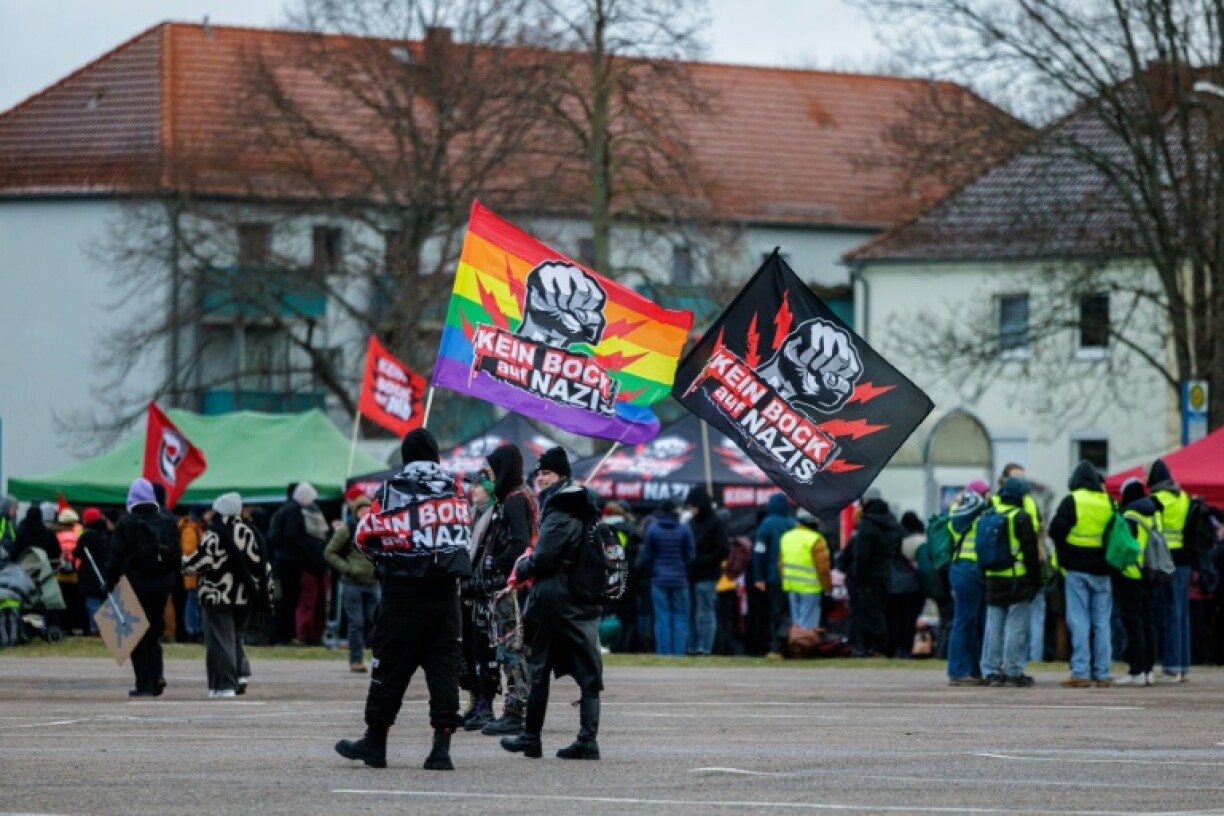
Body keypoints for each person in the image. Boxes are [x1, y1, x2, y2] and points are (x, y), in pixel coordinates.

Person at [336, 429, 471, 771]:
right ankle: (441, 749)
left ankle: (376, 744)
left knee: (389, 669)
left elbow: (365, 536)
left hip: (403, 594)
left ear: (406, 456)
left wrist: (385, 557)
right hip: (445, 595)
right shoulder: (458, 490)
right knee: (444, 670)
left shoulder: (392, 489)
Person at [502, 447, 605, 761]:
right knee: (576, 669)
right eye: (538, 473)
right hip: (578, 597)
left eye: (546, 472)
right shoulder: (580, 505)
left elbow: (545, 555)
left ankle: (548, 739)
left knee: (546, 667)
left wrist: (521, 568)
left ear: (561, 475)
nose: (540, 478)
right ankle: (540, 738)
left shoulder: (561, 507)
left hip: (558, 600)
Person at [471, 444, 538, 737]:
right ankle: (520, 706)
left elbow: (519, 543)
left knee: (511, 648)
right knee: (516, 648)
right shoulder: (522, 495)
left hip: (512, 586)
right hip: (520, 583)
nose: (492, 476)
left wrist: (494, 567)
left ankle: (515, 710)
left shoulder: (513, 499)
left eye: (494, 470)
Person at [184, 492, 271, 698]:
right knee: (235, 637)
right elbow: (261, 564)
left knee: (219, 641)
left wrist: (184, 563)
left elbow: (202, 562)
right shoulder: (251, 532)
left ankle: (224, 686)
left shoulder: (215, 533)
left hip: (217, 595)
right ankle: (240, 674)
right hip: (245, 597)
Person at [104, 478, 181, 697]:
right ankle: (157, 676)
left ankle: (144, 684)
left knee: (137, 635)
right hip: (163, 584)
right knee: (154, 630)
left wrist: (109, 584)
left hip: (136, 583)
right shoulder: (167, 521)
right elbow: (176, 554)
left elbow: (115, 557)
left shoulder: (126, 523)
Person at [1049, 460, 1113, 688]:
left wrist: (1065, 553)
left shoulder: (1072, 500)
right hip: (1103, 570)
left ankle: (1081, 672)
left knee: (1079, 621)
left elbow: (1055, 530)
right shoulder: (1107, 502)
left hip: (1076, 569)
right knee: (1102, 622)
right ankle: (1103, 673)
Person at [980, 477, 1042, 687]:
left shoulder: (989, 514)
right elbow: (1030, 554)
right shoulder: (1021, 517)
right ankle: (1013, 670)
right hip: (1017, 579)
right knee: (1016, 626)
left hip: (993, 578)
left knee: (994, 626)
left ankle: (992, 670)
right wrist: (1035, 580)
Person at [1147, 458, 1192, 682]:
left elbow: (1153, 532)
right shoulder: (1182, 496)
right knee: (1182, 614)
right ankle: (1183, 666)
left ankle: (1172, 667)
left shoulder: (1156, 499)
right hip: (1184, 560)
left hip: (1166, 561)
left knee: (1170, 614)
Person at [324, 491, 378, 673]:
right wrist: (347, 569)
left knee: (375, 622)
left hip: (374, 583)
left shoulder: (377, 529)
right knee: (357, 622)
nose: (363, 513)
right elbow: (329, 552)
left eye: (366, 509)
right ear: (355, 511)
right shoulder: (347, 530)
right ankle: (356, 660)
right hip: (352, 583)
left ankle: (378, 659)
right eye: (360, 509)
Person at [1113, 478, 1160, 686]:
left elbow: (1125, 547)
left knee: (1133, 625)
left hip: (1132, 575)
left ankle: (1137, 670)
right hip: (1152, 574)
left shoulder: (1130, 515)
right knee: (1149, 623)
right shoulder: (1154, 513)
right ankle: (1149, 669)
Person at [946, 480, 991, 686]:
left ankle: (972, 669)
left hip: (971, 571)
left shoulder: (969, 510)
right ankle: (958, 670)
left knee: (974, 623)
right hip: (966, 570)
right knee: (964, 622)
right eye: (986, 493)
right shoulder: (964, 511)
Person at [847, 488, 900, 657]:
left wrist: (857, 576)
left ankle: (870, 646)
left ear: (866, 502)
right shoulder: (892, 522)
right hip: (886, 574)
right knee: (881, 611)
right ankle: (881, 646)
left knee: (867, 613)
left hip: (869, 575)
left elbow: (862, 555)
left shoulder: (867, 524)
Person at [638, 499, 694, 655]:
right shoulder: (684, 529)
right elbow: (690, 555)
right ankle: (679, 653)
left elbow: (647, 556)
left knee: (662, 618)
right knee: (681, 617)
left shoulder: (653, 529)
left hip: (659, 579)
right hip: (680, 579)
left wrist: (654, 571)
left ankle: (664, 653)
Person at [685, 486, 729, 656]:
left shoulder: (715, 522)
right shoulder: (691, 523)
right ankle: (693, 646)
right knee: (693, 613)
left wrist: (702, 560)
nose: (691, 510)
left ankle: (705, 647)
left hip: (707, 575)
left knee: (704, 613)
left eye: (693, 506)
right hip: (693, 575)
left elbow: (723, 549)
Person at [752, 494, 795, 657]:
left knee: (775, 613)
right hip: (792, 577)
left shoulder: (766, 525)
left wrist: (759, 577)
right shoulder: (793, 524)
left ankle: (776, 647)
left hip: (773, 577)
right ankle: (791, 645)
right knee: (790, 613)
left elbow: (759, 553)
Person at [778, 508, 832, 631]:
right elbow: (823, 569)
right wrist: (828, 589)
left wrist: (785, 583)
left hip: (791, 586)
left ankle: (796, 648)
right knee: (808, 627)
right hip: (810, 588)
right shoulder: (816, 539)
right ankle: (806, 649)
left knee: (796, 625)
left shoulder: (786, 537)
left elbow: (780, 564)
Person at [887, 511, 926, 659]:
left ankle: (893, 649)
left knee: (893, 620)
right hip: (911, 586)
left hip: (893, 586)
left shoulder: (892, 540)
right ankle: (906, 649)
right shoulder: (918, 541)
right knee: (908, 621)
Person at [74, 508, 111, 635]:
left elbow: (78, 551)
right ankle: (105, 627)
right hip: (104, 570)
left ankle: (95, 628)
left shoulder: (87, 535)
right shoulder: (105, 533)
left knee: (92, 601)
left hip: (90, 572)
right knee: (103, 600)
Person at [177, 505, 210, 643]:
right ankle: (192, 631)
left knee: (195, 603)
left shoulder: (198, 528)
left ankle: (195, 630)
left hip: (197, 572)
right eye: (208, 513)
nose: (210, 516)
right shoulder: (191, 530)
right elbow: (189, 551)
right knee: (192, 603)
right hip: (194, 574)